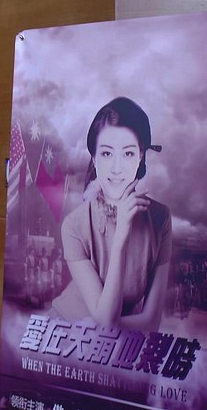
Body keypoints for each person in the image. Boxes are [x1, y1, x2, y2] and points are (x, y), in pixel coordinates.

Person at [51, 97, 170, 331]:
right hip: (64, 330)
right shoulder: (74, 225)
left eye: (128, 154)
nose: (116, 168)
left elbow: (151, 321)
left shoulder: (160, 219)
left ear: (141, 156)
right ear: (94, 159)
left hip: (105, 338)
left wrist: (94, 328)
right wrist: (120, 239)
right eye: (106, 154)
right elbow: (106, 320)